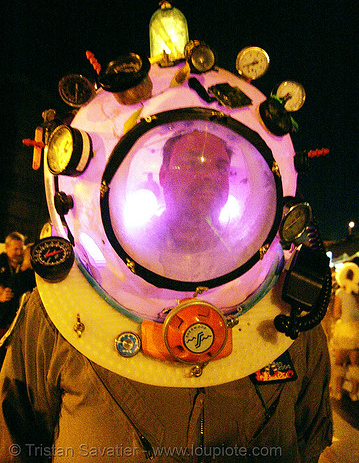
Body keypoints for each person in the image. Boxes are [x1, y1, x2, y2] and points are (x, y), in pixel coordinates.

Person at [0, 52, 332, 462]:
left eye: (221, 166)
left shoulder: (289, 311)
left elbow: (310, 438)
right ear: (161, 174)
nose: (208, 173)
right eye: (192, 161)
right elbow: (18, 442)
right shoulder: (54, 315)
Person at [331, 261, 359, 401]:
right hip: (357, 330)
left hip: (344, 330)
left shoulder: (340, 292)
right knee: (355, 364)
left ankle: (338, 392)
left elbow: (336, 313)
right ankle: (354, 393)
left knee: (339, 363)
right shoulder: (357, 293)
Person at [0, 232, 35, 338]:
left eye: (21, 249)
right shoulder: (1, 262)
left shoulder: (26, 264)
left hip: (22, 321)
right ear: (7, 247)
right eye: (16, 249)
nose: (19, 252)